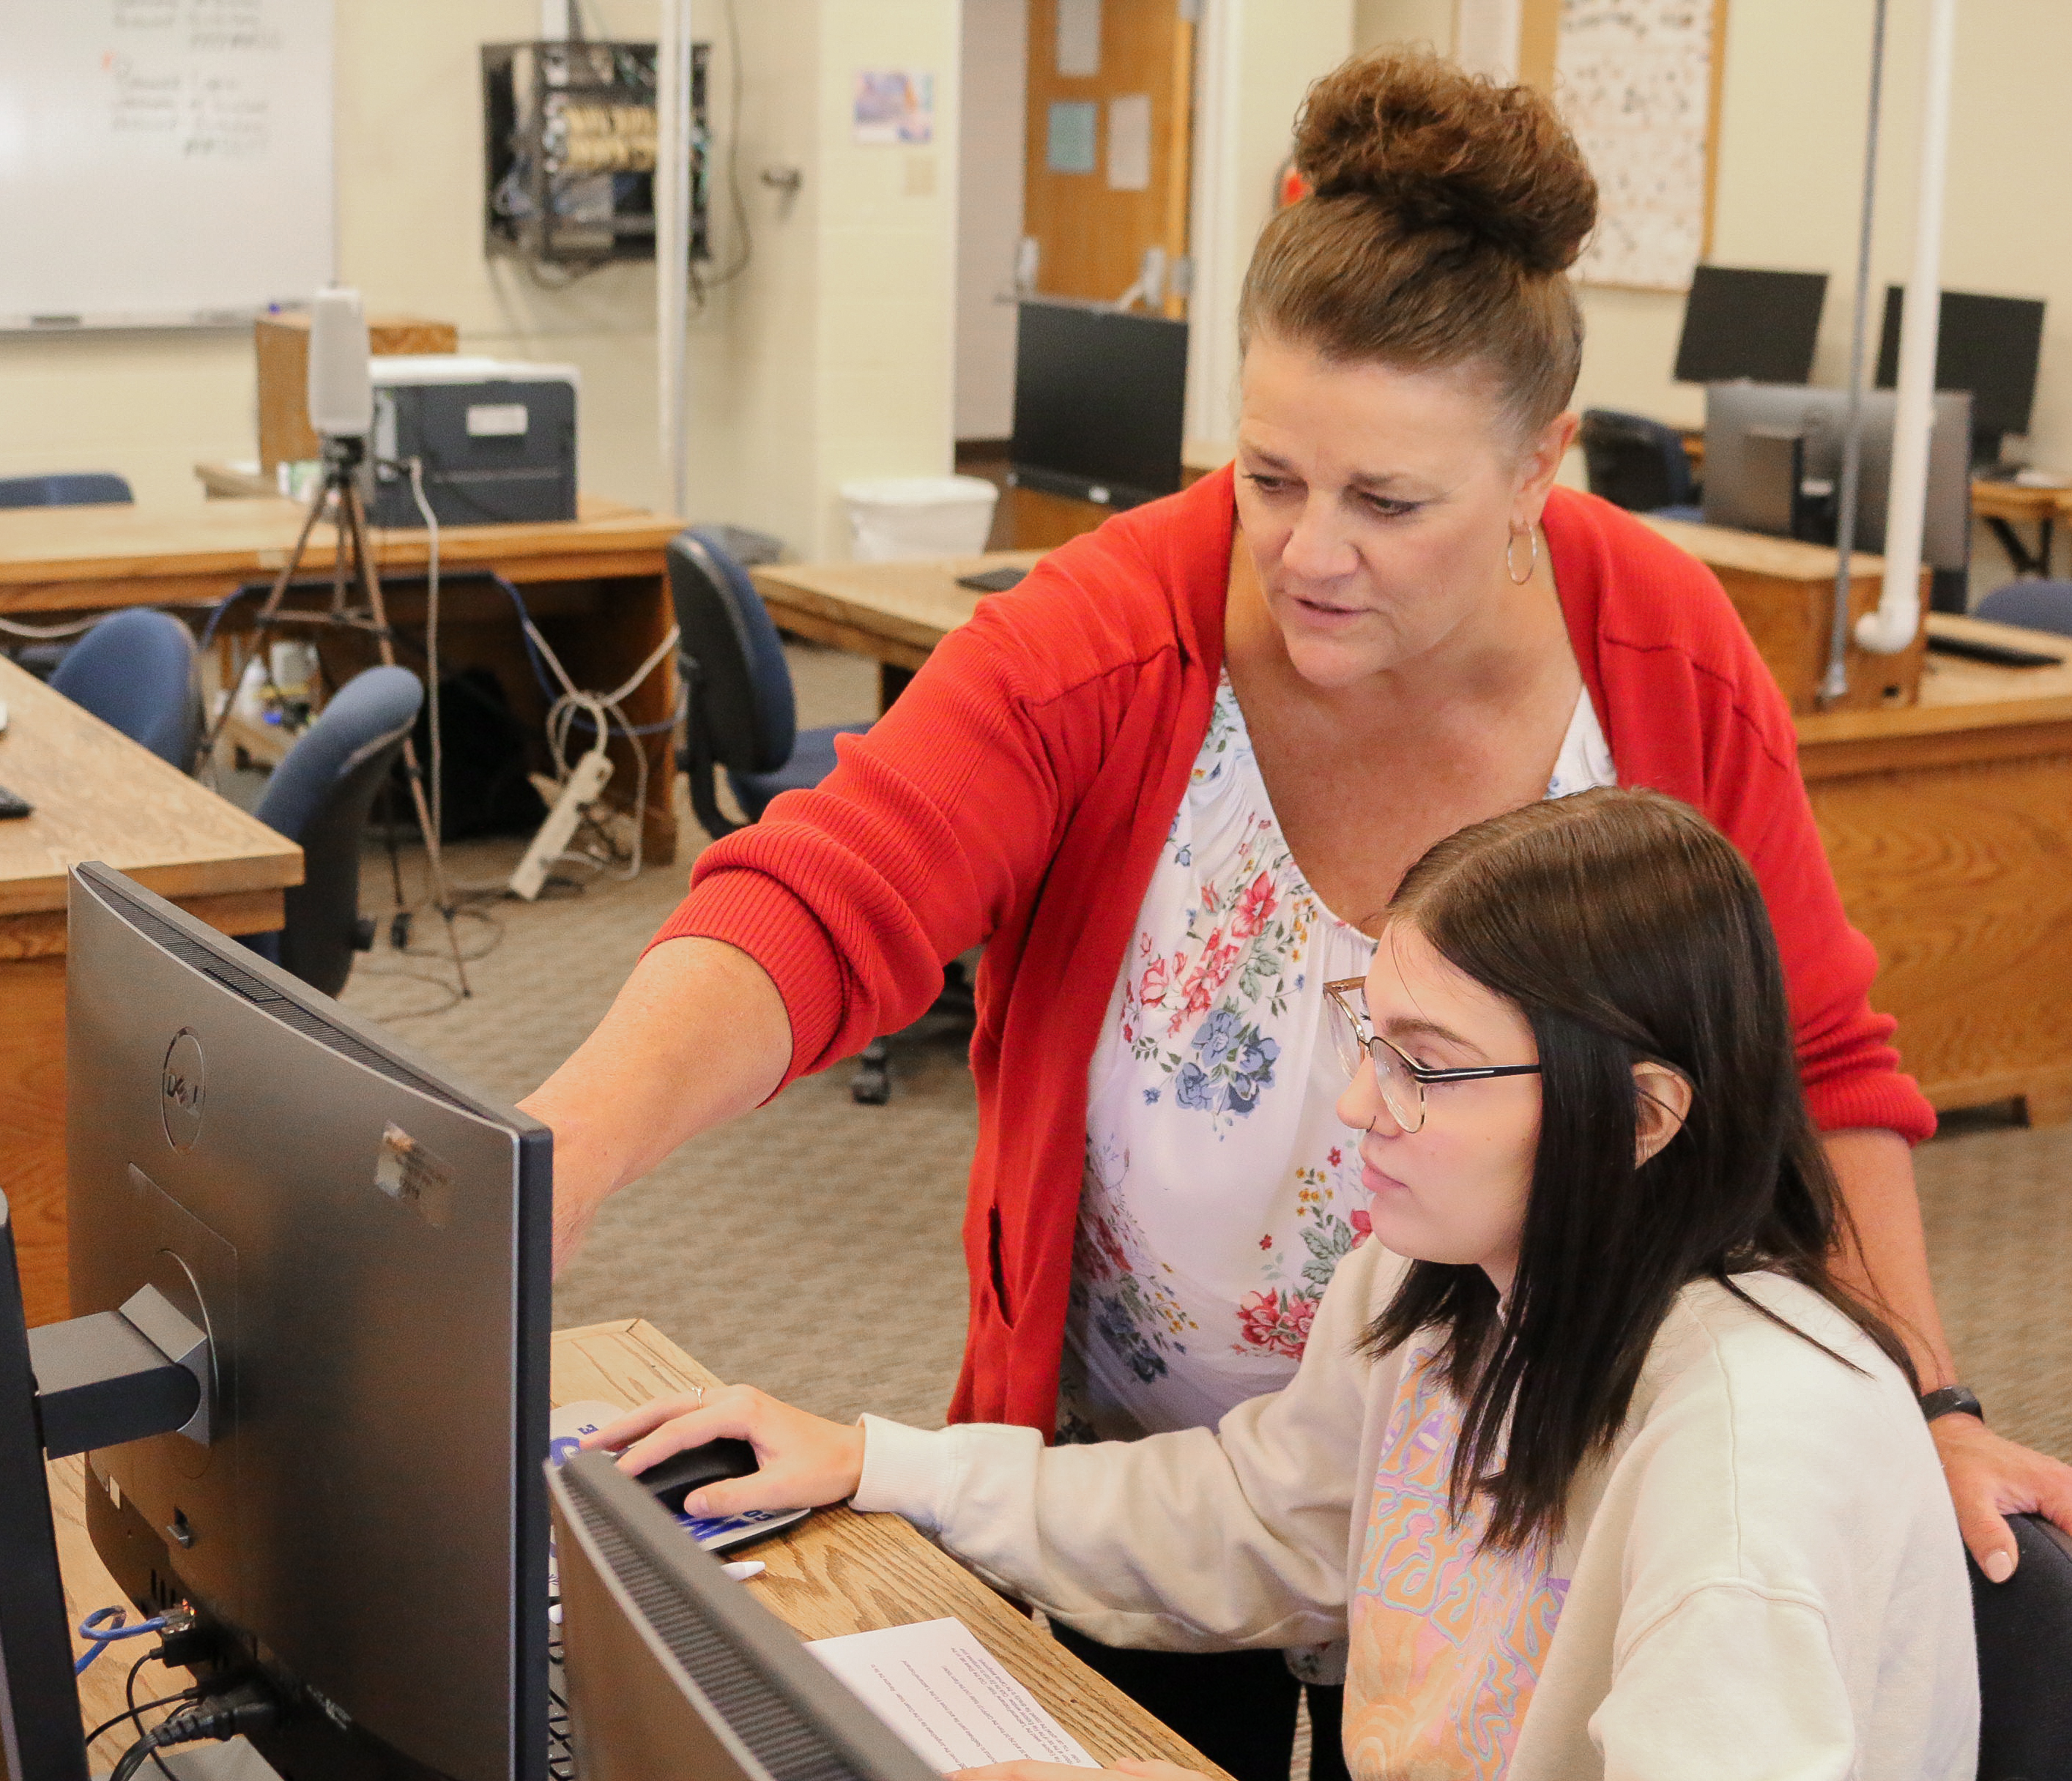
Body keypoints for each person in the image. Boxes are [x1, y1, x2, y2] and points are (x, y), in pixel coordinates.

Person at [524, 45, 2068, 1780]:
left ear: (1537, 467)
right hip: (1207, 1491)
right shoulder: (1116, 637)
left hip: (1545, 1525)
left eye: (1387, 502)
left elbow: (1816, 1059)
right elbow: (827, 897)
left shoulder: (1660, 654)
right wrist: (554, 1159)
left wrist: (1924, 1392)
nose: (1304, 552)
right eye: (1267, 476)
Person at [584, 789, 1980, 1781]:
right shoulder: (1445, 1282)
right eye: (1366, 1036)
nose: (1360, 1103)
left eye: (1425, 1065)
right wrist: (879, 1464)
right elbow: (1262, 1517)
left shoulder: (1749, 1460)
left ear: (1639, 1116)